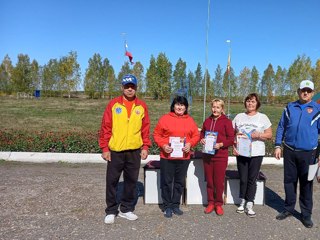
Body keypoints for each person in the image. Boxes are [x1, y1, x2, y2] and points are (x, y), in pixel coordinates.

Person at [99, 74, 151, 224]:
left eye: (132, 86)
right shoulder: (113, 105)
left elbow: (145, 128)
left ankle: (126, 209)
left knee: (131, 181)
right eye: (127, 86)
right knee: (112, 181)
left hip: (134, 150)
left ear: (136, 88)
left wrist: (145, 146)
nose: (129, 89)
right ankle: (111, 210)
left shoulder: (141, 106)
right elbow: (106, 127)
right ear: (122, 87)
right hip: (116, 150)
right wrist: (105, 148)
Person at [274, 80, 320, 228]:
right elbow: (281, 126)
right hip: (289, 151)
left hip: (309, 153)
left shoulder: (318, 109)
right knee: (289, 181)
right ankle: (288, 208)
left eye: (308, 90)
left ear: (312, 93)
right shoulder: (290, 107)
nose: (305, 93)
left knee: (307, 183)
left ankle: (306, 215)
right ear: (298, 91)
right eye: (302, 90)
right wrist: (277, 145)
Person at [153, 96, 200, 218]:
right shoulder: (165, 119)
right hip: (167, 157)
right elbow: (156, 134)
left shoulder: (190, 120)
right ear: (173, 106)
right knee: (167, 182)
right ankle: (167, 206)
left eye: (182, 105)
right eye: (177, 104)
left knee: (179, 182)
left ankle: (175, 205)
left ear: (186, 107)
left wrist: (190, 144)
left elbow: (196, 135)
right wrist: (163, 145)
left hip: (183, 157)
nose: (180, 107)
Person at [232, 93, 272, 217]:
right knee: (243, 178)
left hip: (256, 153)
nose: (250, 103)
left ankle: (250, 203)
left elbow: (269, 135)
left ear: (257, 104)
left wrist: (259, 135)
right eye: (248, 101)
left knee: (251, 179)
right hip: (242, 153)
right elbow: (232, 134)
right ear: (245, 103)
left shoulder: (263, 117)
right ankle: (242, 201)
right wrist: (234, 146)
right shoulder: (239, 117)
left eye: (253, 101)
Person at [200, 99, 234, 215]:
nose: (215, 109)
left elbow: (231, 139)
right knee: (209, 181)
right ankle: (210, 202)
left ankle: (218, 203)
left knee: (218, 182)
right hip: (207, 156)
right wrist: (202, 139)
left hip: (220, 156)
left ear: (222, 109)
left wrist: (221, 144)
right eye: (213, 107)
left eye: (218, 107)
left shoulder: (227, 122)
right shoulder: (207, 121)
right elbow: (202, 133)